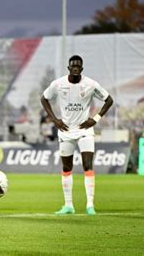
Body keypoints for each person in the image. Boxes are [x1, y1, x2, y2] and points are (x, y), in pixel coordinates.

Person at [40, 55, 113, 216]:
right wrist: (54, 120)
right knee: (67, 167)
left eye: (78, 66)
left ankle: (90, 205)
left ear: (81, 69)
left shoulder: (90, 84)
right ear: (68, 68)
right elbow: (44, 99)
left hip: (85, 131)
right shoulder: (58, 84)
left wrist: (95, 119)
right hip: (65, 131)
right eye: (73, 66)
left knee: (88, 165)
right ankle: (68, 205)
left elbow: (109, 100)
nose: (75, 68)